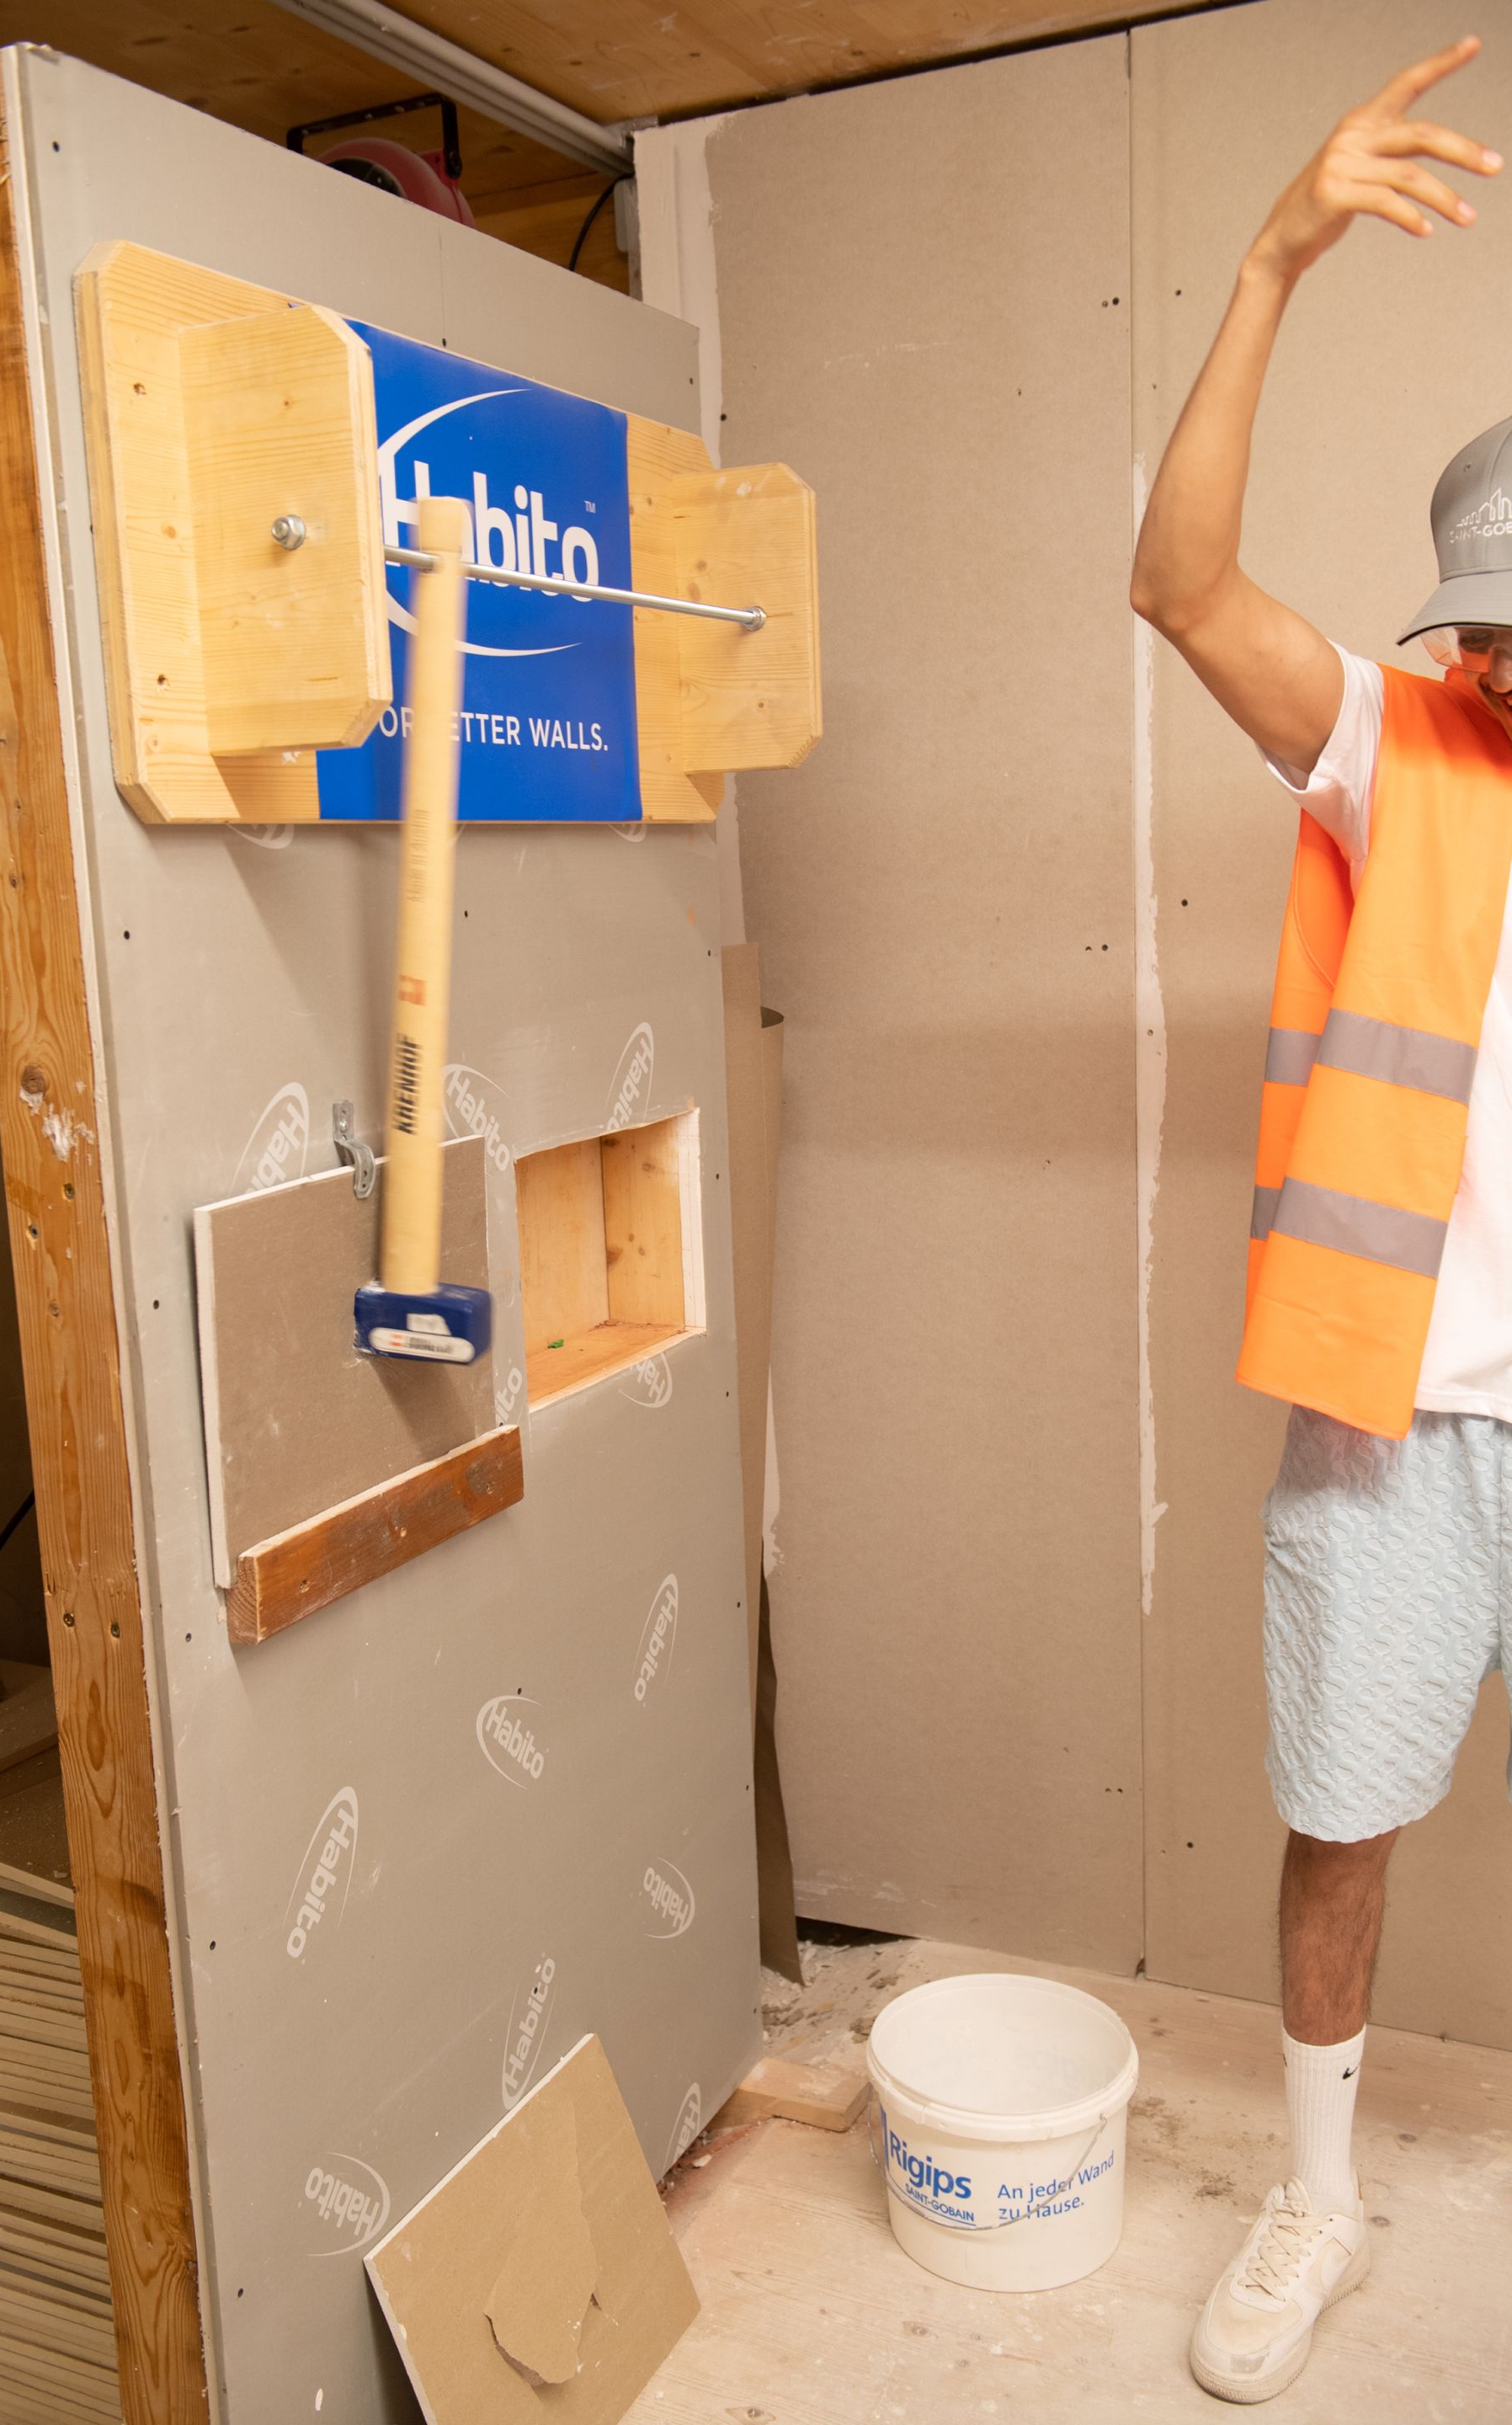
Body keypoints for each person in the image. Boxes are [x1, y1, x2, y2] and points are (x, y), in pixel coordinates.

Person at [1131, 35, 1509, 2409]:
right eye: (1499, 630)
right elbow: (1177, 583)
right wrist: (1275, 255)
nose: (1510, 666)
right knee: (1342, 1814)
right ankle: (1318, 2194)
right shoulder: (1407, 745)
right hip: (1399, 1410)